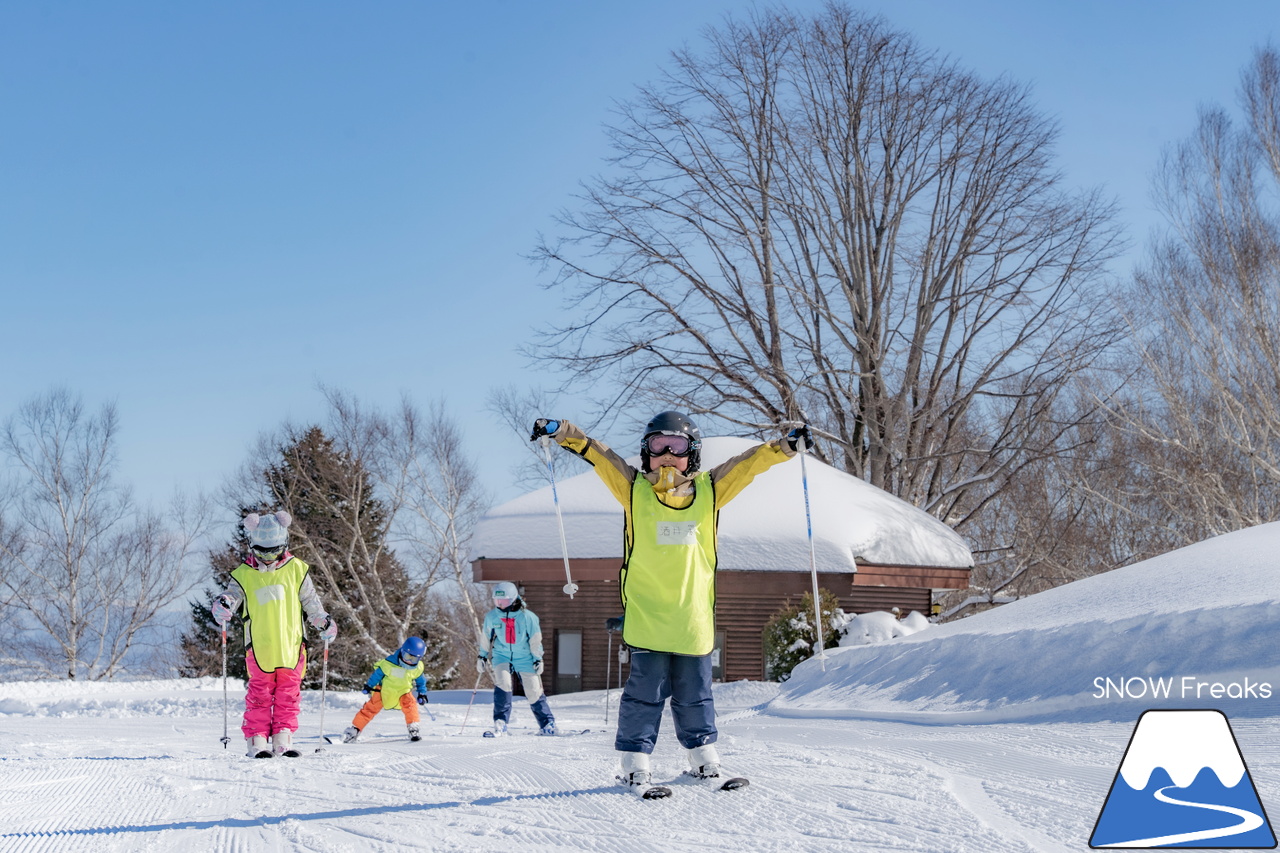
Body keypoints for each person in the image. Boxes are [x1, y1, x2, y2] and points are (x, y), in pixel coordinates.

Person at [531, 412, 808, 791]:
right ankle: (635, 761)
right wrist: (562, 432)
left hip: (692, 620)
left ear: (691, 454)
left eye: (675, 446)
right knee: (644, 695)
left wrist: (786, 446)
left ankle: (702, 756)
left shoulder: (711, 489)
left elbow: (750, 464)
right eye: (657, 445)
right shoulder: (633, 489)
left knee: (696, 694)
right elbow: (598, 454)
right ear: (645, 452)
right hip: (648, 617)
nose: (665, 454)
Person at [211, 511, 337, 758]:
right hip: (259, 647)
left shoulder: (297, 570)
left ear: (284, 544)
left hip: (291, 646)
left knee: (288, 695)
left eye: (273, 551)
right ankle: (257, 740)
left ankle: (283, 738)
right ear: (252, 546)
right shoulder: (245, 574)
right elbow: (232, 597)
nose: (268, 558)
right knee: (259, 694)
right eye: (262, 551)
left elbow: (311, 602)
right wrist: (223, 603)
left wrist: (323, 621)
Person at [477, 582, 557, 737]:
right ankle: (500, 722)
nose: (500, 605)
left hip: (524, 656)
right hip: (502, 655)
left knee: (533, 689)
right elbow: (486, 638)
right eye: (497, 601)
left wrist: (537, 659)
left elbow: (535, 640)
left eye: (504, 601)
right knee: (503, 683)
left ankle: (547, 723)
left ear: (514, 599)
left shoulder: (528, 617)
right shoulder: (492, 617)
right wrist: (482, 656)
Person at [343, 636, 430, 743]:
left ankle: (413, 728)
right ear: (402, 651)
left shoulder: (417, 668)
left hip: (403, 692)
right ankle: (355, 730)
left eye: (414, 659)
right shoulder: (388, 664)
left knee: (410, 705)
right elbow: (377, 675)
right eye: (407, 657)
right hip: (384, 692)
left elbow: (421, 681)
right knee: (369, 709)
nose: (409, 662)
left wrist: (422, 693)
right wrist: (369, 686)